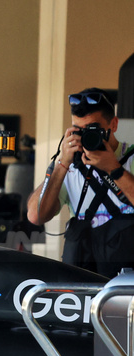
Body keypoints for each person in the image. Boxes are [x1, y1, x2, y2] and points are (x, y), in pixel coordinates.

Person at [27, 88, 134, 277]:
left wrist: (114, 169)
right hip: (82, 284)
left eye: (94, 128)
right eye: (79, 130)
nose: (87, 136)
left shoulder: (131, 158)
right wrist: (62, 164)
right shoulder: (69, 166)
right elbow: (36, 216)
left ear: (114, 124)